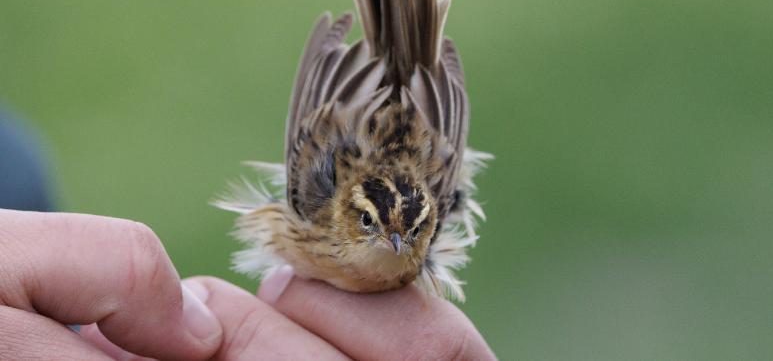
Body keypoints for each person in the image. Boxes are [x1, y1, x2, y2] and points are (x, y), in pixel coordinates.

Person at [0, 112, 495, 360]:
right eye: (372, 226)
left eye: (411, 236)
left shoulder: (17, 173)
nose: (397, 246)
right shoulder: (325, 209)